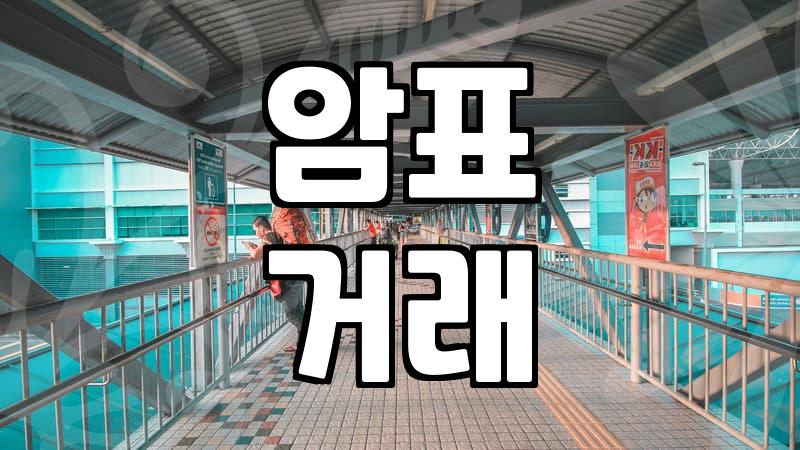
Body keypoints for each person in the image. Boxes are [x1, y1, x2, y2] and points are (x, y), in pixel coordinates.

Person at [245, 214, 307, 353]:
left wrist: (249, 247)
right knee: (299, 311)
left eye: (256, 230)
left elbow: (255, 255)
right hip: (296, 276)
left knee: (292, 314)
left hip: (289, 281)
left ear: (262, 227)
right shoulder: (278, 235)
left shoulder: (269, 237)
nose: (256, 233)